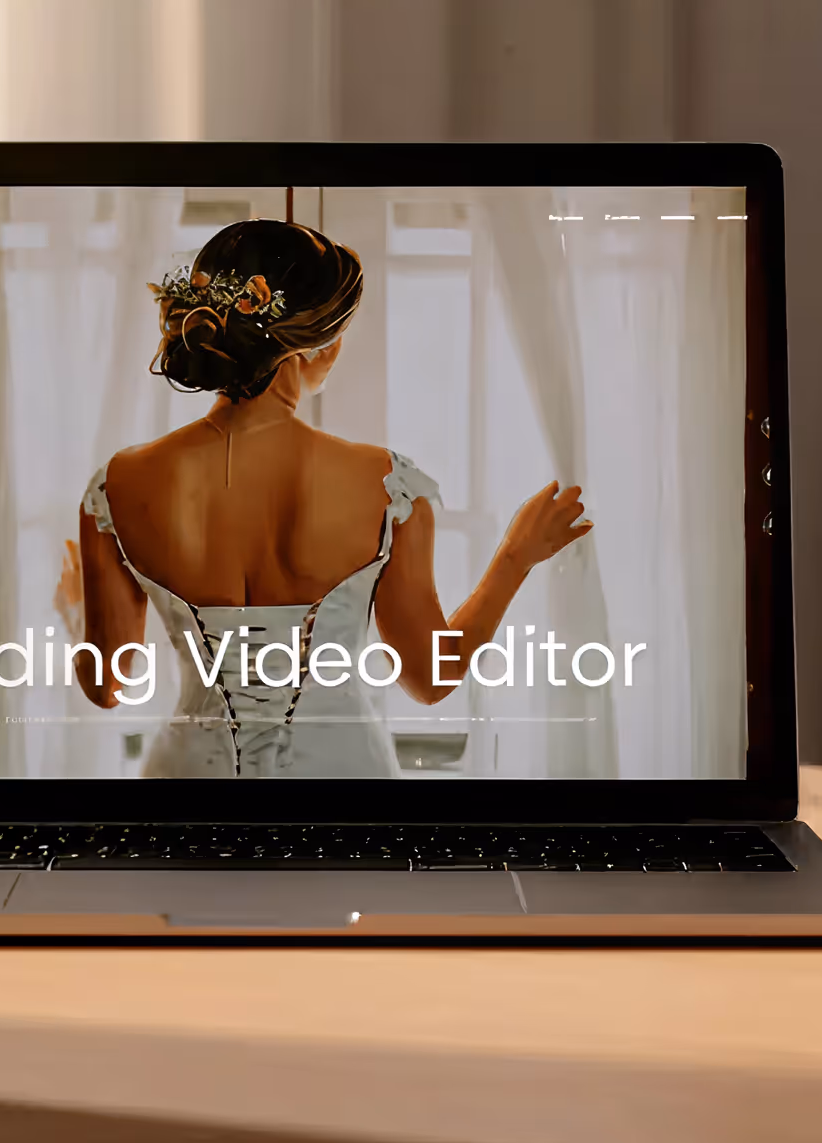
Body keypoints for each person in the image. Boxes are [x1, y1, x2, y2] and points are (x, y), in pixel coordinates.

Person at [54, 217, 592, 777]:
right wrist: (514, 557)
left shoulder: (119, 483)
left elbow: (106, 687)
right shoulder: (387, 485)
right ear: (315, 346)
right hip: (342, 782)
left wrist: (77, 614)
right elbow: (431, 680)